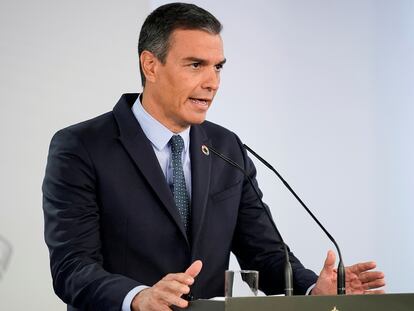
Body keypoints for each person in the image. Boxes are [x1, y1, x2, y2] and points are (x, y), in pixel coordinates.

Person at [42, 3, 385, 311]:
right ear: (151, 65)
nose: (212, 82)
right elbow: (73, 267)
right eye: (195, 65)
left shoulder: (226, 146)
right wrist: (138, 296)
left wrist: (312, 289)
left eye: (218, 67)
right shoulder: (81, 146)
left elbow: (264, 252)